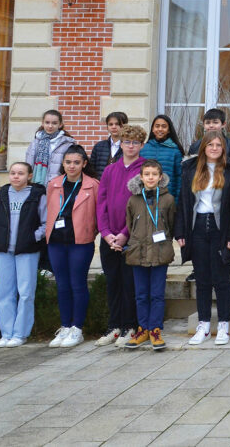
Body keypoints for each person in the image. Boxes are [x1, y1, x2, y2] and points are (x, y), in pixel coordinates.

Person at [177, 130, 230, 346]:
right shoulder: (190, 170)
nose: (214, 148)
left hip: (221, 229)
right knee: (203, 279)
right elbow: (184, 203)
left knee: (221, 279)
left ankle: (224, 323)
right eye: (210, 145)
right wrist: (180, 231)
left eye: (218, 145)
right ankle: (204, 324)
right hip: (197, 227)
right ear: (203, 148)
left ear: (223, 148)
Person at [0, 162, 45, 347]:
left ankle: (20, 334)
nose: (16, 176)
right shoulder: (0, 196)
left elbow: (46, 223)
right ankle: (6, 333)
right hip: (4, 252)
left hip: (27, 251)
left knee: (25, 293)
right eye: (13, 173)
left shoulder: (37, 196)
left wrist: (33, 238)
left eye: (21, 173)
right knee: (3, 293)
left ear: (29, 176)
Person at [96, 124, 146, 346]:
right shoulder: (110, 170)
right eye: (127, 142)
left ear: (141, 145)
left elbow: (142, 205)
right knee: (112, 282)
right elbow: (102, 203)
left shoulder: (145, 169)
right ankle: (114, 326)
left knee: (129, 283)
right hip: (109, 238)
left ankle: (130, 326)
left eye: (135, 142)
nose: (131, 146)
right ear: (121, 144)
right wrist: (106, 233)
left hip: (131, 237)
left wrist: (124, 234)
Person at [45, 146, 99, 348]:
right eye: (68, 162)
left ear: (84, 164)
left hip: (80, 243)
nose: (72, 166)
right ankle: (65, 326)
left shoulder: (92, 185)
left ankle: (77, 328)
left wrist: (91, 231)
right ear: (63, 164)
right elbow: (48, 211)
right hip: (56, 242)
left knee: (77, 284)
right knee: (62, 285)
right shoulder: (54, 184)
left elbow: (98, 213)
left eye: (76, 162)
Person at [122, 160, 177, 351]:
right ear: (141, 177)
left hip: (160, 252)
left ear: (160, 177)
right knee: (141, 294)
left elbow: (170, 224)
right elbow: (130, 226)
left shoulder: (168, 199)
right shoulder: (134, 200)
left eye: (154, 174)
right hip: (138, 252)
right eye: (147, 174)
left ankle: (155, 329)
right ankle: (142, 328)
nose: (151, 177)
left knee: (157, 294)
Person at [140, 114, 185, 200]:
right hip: (145, 198)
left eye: (164, 126)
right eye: (157, 126)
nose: (160, 129)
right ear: (153, 129)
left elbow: (179, 177)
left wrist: (176, 200)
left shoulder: (175, 151)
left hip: (167, 198)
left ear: (168, 130)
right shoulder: (143, 149)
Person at [26, 109, 76, 185]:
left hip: (57, 184)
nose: (50, 126)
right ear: (42, 123)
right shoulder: (35, 142)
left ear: (60, 125)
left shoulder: (67, 144)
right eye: (47, 122)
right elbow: (28, 164)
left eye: (54, 123)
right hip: (35, 184)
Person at [90, 111, 127, 179]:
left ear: (124, 126)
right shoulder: (99, 147)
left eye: (117, 124)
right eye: (110, 124)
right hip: (101, 185)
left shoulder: (129, 147)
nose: (114, 127)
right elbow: (91, 169)